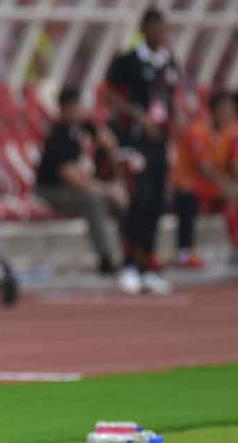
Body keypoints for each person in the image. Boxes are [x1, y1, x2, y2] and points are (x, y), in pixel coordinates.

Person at [104, 7, 178, 295]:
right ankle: (129, 266)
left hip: (159, 143)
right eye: (156, 29)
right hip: (134, 143)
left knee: (157, 204)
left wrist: (176, 119)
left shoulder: (169, 61)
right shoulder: (128, 61)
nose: (161, 34)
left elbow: (171, 97)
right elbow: (109, 97)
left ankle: (148, 265)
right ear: (144, 30)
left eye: (164, 29)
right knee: (140, 201)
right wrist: (138, 117)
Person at [36, 87, 128, 275]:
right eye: (79, 106)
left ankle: (131, 252)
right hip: (53, 189)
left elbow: (110, 143)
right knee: (94, 201)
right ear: (67, 108)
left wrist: (119, 184)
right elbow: (70, 176)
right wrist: (107, 189)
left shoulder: (82, 129)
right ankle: (106, 258)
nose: (83, 110)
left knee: (122, 202)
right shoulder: (59, 135)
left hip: (78, 187)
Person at [172, 91, 238, 267]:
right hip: (190, 184)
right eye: (224, 111)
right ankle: (184, 253)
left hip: (214, 187)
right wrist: (230, 186)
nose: (228, 116)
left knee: (233, 202)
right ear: (214, 111)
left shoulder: (231, 133)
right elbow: (205, 168)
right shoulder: (198, 131)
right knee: (230, 195)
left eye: (231, 112)